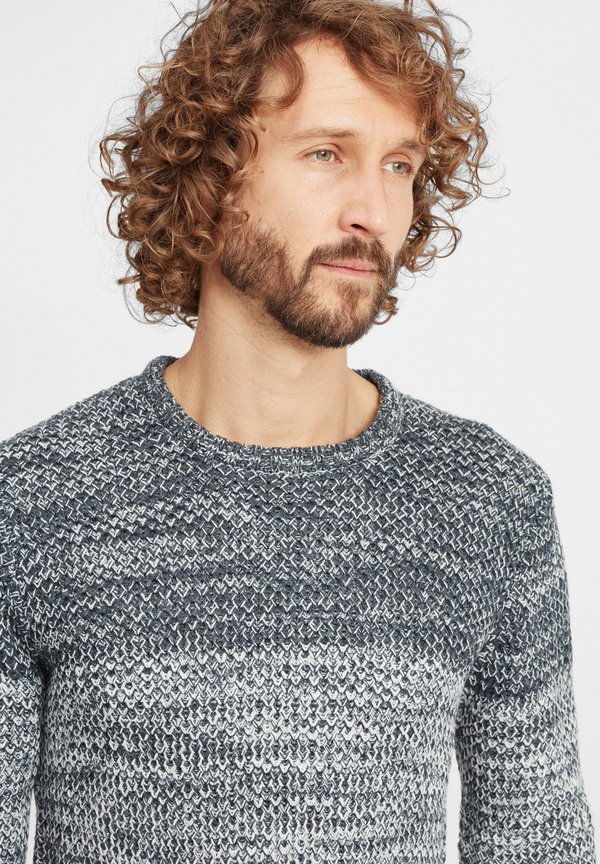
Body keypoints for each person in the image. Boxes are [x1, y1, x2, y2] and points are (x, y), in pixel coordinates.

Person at [0, 0, 597, 861]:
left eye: (399, 165)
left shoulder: (489, 502)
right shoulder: (33, 501)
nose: (373, 212)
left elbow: (540, 846)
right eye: (327, 154)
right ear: (213, 178)